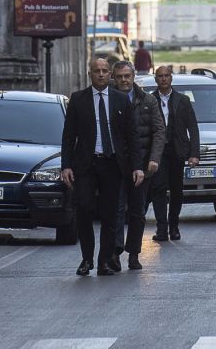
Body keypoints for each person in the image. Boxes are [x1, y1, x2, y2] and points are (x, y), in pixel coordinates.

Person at [60, 57, 143, 276]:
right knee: (85, 209)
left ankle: (104, 260)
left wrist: (137, 166)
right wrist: (65, 166)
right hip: (86, 164)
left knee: (110, 214)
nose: (101, 74)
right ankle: (87, 259)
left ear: (110, 75)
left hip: (112, 164)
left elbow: (132, 136)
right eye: (97, 71)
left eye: (105, 71)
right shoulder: (78, 100)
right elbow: (68, 136)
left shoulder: (121, 100)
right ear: (90, 74)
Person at [111, 60, 164, 271]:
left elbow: (159, 131)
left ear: (133, 77)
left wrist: (154, 159)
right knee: (115, 211)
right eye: (120, 76)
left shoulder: (148, 100)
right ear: (114, 78)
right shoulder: (109, 100)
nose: (124, 80)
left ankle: (134, 253)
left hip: (141, 167)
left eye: (127, 76)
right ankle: (115, 252)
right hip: (116, 166)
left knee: (137, 212)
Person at [150, 65, 200, 241]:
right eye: (160, 76)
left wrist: (194, 154)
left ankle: (174, 227)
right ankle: (161, 229)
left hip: (177, 151)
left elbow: (192, 128)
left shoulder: (183, 100)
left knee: (177, 191)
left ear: (171, 78)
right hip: (158, 152)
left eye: (166, 76)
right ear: (156, 79)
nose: (163, 79)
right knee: (158, 189)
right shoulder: (149, 100)